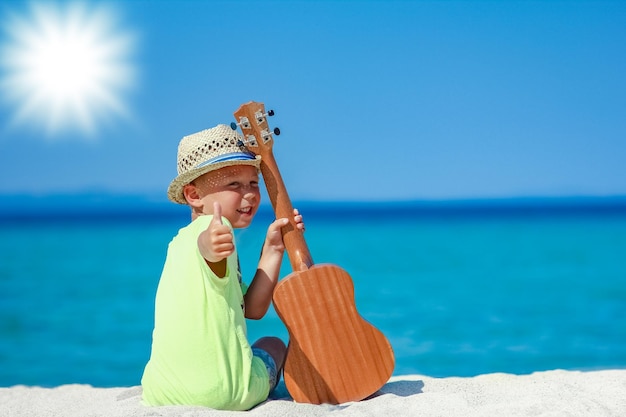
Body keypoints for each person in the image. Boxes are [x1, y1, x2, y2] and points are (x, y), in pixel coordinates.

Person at [141, 124, 303, 410]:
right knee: (274, 345)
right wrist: (211, 244)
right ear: (193, 196)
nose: (250, 194)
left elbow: (252, 309)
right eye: (234, 185)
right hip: (228, 393)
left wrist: (273, 248)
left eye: (254, 183)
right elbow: (207, 246)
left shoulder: (177, 245)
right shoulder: (214, 231)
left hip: (160, 393)